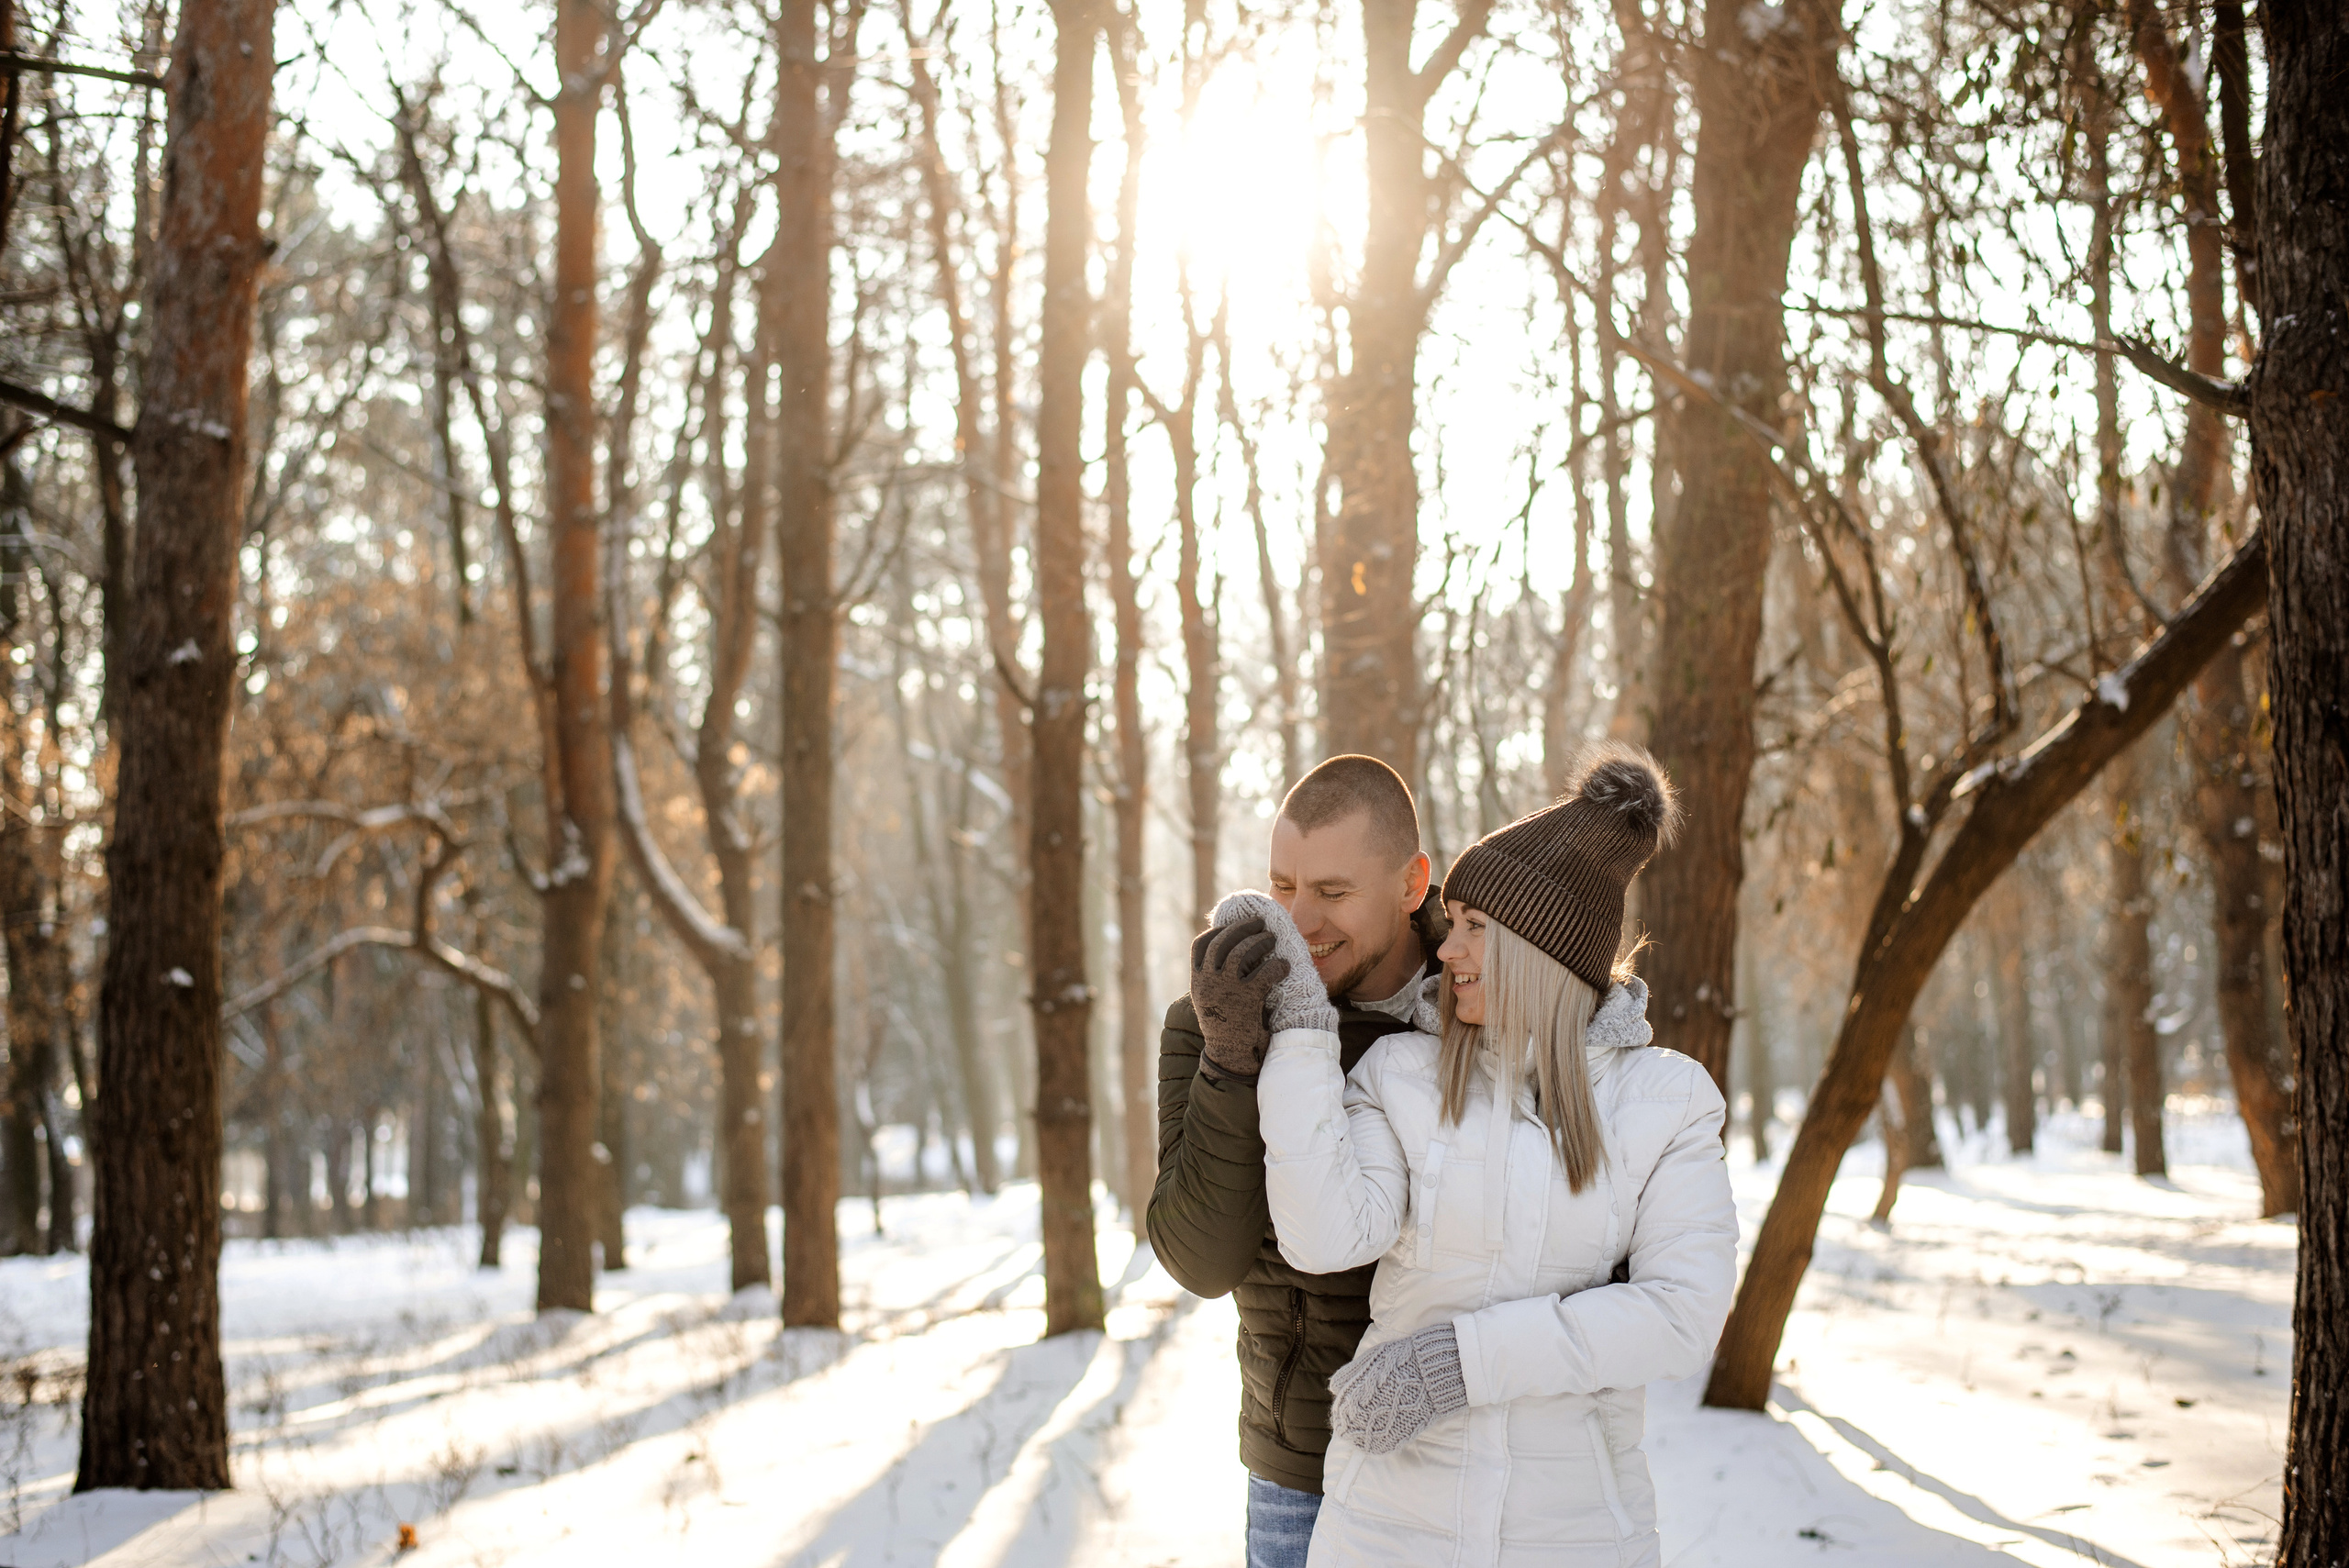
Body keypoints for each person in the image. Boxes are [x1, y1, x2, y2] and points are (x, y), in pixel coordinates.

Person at [1249, 745, 1739, 1566]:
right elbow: (1324, 1236)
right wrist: (1301, 1027)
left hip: (1577, 1536)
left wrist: (1461, 1362)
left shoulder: (1667, 1102)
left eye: (1476, 927)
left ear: (1540, 949)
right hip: (1383, 1533)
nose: (1446, 949)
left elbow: (1681, 1316)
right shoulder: (1403, 1075)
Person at [1146, 755, 1449, 1568]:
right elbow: (1199, 1259)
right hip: (1302, 1470)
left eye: (1334, 892)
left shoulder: (1481, 1005)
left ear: (1412, 883)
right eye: (1284, 885)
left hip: (1468, 1459)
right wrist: (1231, 1062)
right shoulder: (1218, 1015)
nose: (1300, 920)